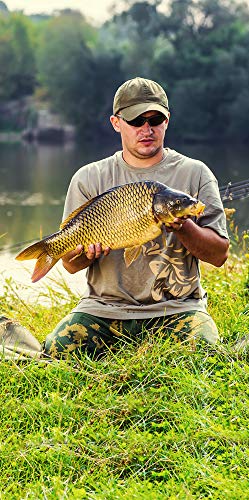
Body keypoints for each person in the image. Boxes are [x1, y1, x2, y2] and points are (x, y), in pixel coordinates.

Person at [43, 77, 229, 358]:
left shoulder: (195, 173)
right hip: (104, 310)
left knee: (205, 353)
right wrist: (87, 254)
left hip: (178, 309)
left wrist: (183, 227)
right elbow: (70, 265)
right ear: (116, 123)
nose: (147, 129)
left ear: (167, 121)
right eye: (135, 121)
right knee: (57, 350)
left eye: (155, 119)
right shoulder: (89, 177)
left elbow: (219, 255)